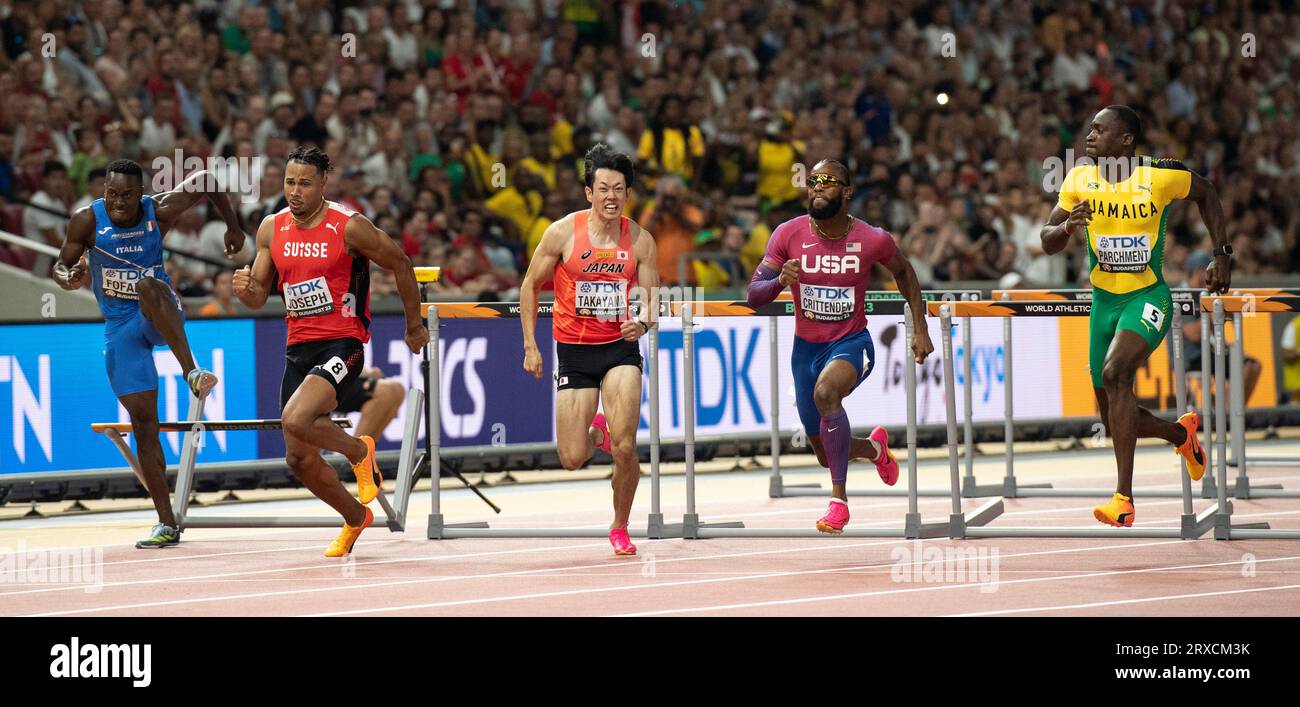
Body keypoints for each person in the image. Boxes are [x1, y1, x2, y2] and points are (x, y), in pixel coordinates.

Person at [232, 146, 428, 557]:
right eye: (289, 182)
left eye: (305, 183)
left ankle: (360, 450)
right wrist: (245, 289)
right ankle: (356, 517)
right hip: (297, 347)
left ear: (324, 183)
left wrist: (414, 324)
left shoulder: (349, 227)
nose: (295, 191)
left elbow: (401, 262)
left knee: (296, 417)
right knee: (297, 458)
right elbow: (257, 296)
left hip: (343, 342)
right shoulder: (271, 228)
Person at [1041, 105, 1230, 527]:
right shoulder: (1079, 179)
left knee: (1115, 375)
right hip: (1103, 302)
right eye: (1089, 128)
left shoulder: (1159, 176)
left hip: (1147, 297)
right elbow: (1046, 240)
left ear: (1125, 140)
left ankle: (1123, 499)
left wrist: (1221, 255)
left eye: (1099, 129)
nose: (1089, 135)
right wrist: (1068, 227)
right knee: (1111, 416)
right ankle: (1181, 436)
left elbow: (1208, 194)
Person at [51, 159, 245, 548]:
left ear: (140, 193)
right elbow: (60, 263)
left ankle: (191, 372)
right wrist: (67, 277)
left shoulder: (159, 210)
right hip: (120, 328)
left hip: (159, 312)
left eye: (126, 195)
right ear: (103, 190)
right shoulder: (87, 220)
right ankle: (166, 522)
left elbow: (206, 179)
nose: (118, 202)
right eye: (111, 193)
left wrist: (234, 225)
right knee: (143, 424)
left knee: (147, 286)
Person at [747, 159, 934, 533]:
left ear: (847, 192)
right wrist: (779, 281)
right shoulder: (788, 234)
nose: (817, 187)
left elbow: (904, 271)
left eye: (828, 181)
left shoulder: (872, 238)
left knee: (827, 391)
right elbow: (754, 295)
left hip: (852, 343)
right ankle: (875, 449)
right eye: (813, 180)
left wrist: (919, 325)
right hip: (805, 350)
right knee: (824, 452)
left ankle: (839, 502)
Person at [519, 143, 659, 556]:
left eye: (619, 188)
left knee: (627, 446)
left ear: (627, 193)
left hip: (619, 350)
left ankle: (620, 526)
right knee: (571, 457)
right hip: (575, 353)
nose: (611, 196)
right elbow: (530, 286)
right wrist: (530, 345)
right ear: (588, 192)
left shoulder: (641, 240)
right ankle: (598, 429)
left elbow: (653, 298)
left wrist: (645, 322)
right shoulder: (562, 232)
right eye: (603, 188)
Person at [1180, 251, 1261, 404]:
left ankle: (1232, 413)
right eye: (1210, 272)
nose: (1213, 277)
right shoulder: (1183, 294)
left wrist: (1228, 345)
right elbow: (1193, 334)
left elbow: (1209, 333)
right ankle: (1228, 416)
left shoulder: (1202, 294)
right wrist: (1213, 314)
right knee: (1247, 365)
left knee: (1251, 364)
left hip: (1205, 350)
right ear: (1198, 272)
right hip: (1190, 357)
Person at [335, 368, 407, 439]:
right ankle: (356, 448)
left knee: (397, 389)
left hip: (339, 375)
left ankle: (368, 446)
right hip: (327, 384)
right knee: (384, 391)